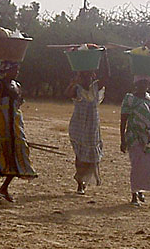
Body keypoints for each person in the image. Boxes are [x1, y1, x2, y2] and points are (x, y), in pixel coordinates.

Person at [0, 61, 37, 202]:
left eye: (17, 69)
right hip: (1, 126)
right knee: (1, 157)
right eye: (14, 69)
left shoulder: (17, 86)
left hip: (15, 126)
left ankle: (4, 188)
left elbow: (18, 105)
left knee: (19, 155)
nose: (17, 72)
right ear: (6, 70)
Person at [65, 50, 110, 195]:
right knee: (80, 154)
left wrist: (105, 56)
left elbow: (107, 76)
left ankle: (85, 179)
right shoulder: (76, 89)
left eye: (89, 75)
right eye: (83, 75)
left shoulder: (96, 87)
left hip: (92, 126)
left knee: (91, 154)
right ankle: (80, 182)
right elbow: (67, 94)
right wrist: (73, 83)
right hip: (78, 125)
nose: (86, 77)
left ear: (93, 76)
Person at [120, 75, 150, 206]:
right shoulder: (130, 99)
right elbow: (123, 120)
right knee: (137, 165)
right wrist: (122, 139)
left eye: (145, 83)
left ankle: (141, 188)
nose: (143, 85)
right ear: (136, 84)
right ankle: (134, 194)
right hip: (134, 136)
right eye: (141, 83)